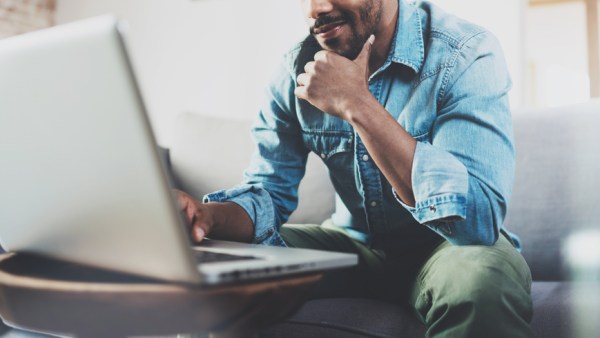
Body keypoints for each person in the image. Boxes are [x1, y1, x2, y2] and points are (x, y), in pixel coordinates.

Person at [176, 0, 533, 336]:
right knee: (218, 269)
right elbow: (269, 192)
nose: (317, 9)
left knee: (481, 280)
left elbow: (479, 220)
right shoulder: (295, 70)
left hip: (447, 246)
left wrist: (357, 103)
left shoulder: (464, 53)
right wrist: (208, 216)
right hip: (353, 244)